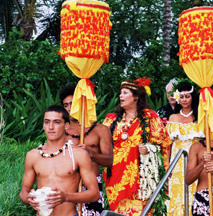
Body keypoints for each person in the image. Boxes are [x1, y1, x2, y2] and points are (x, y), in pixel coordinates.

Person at [102, 78, 172, 215]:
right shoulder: (111, 118)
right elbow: (101, 143)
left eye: (125, 93)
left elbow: (164, 142)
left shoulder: (149, 117)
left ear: (135, 97)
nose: (120, 96)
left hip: (140, 177)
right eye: (120, 93)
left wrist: (150, 149)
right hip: (115, 175)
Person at [19, 105, 100, 216]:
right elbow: (24, 192)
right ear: (43, 125)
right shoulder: (33, 155)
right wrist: (29, 199)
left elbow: (95, 193)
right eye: (47, 122)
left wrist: (66, 197)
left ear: (66, 126)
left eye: (56, 122)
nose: (51, 127)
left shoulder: (78, 154)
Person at [59, 85, 113, 215]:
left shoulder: (101, 130)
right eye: (65, 105)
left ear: (82, 104)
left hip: (92, 185)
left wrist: (92, 154)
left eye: (72, 104)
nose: (69, 108)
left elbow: (109, 161)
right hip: (68, 185)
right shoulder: (61, 131)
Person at [166, 81, 205, 216]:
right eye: (181, 97)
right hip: (176, 163)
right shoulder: (173, 117)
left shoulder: (200, 117)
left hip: (196, 162)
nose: (184, 100)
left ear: (192, 97)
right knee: (178, 193)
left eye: (187, 96)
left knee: (195, 192)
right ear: (178, 98)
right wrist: (167, 164)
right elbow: (168, 144)